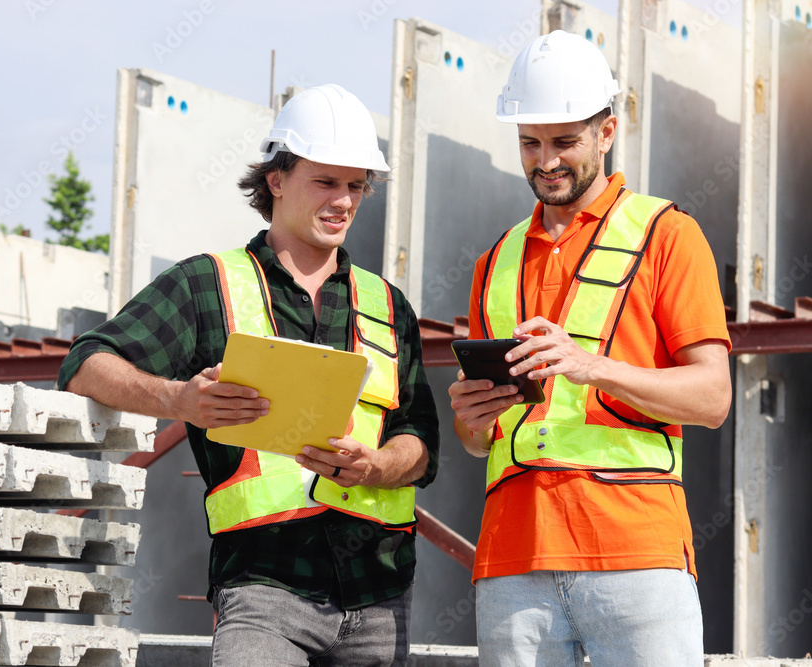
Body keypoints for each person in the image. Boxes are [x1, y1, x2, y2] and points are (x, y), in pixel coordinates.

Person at [58, 84, 440, 666]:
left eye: (356, 185)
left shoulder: (388, 305)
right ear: (276, 179)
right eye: (326, 181)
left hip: (380, 594)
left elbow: (421, 442)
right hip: (264, 591)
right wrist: (178, 398)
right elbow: (86, 364)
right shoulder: (206, 284)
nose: (345, 200)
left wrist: (378, 464)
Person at [448, 31, 732, 666]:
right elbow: (479, 443)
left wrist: (589, 365)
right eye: (529, 142)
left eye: (564, 142)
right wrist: (473, 418)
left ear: (606, 132)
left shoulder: (668, 234)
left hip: (634, 551)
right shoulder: (493, 261)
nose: (545, 160)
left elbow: (713, 398)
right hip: (512, 559)